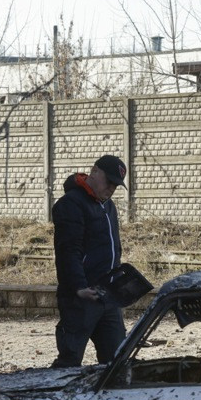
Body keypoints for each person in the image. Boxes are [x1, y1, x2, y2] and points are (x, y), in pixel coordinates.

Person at [50, 155, 128, 367]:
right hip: (81, 297)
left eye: (116, 185)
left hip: (108, 296)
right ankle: (57, 397)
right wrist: (78, 287)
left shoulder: (108, 206)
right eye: (108, 181)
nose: (111, 188)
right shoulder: (71, 204)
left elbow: (113, 248)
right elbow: (68, 251)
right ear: (94, 172)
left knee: (116, 361)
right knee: (70, 359)